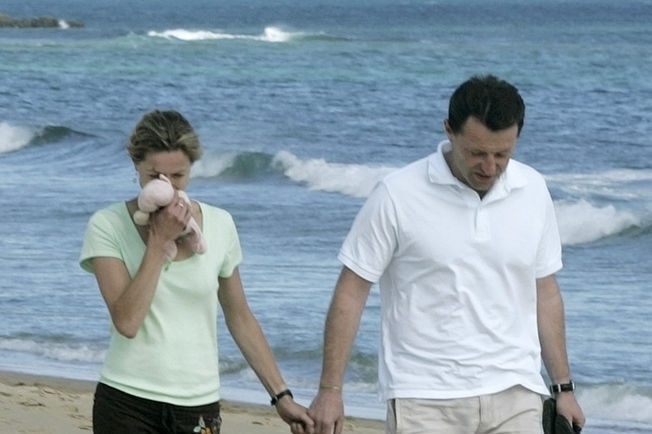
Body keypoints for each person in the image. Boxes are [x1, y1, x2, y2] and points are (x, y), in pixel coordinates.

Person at [308, 75, 585, 434]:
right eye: (476, 153)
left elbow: (545, 291)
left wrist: (563, 388)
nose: (490, 166)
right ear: (449, 131)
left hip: (516, 392)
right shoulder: (397, 195)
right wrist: (330, 390)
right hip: (423, 396)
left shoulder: (532, 190)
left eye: (502, 154)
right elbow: (351, 290)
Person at [80, 110, 313, 434]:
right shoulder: (107, 225)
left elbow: (240, 317)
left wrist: (281, 396)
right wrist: (159, 242)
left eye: (178, 176)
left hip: (199, 406)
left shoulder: (220, 224)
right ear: (136, 165)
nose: (168, 187)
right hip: (127, 402)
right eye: (155, 176)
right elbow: (127, 321)